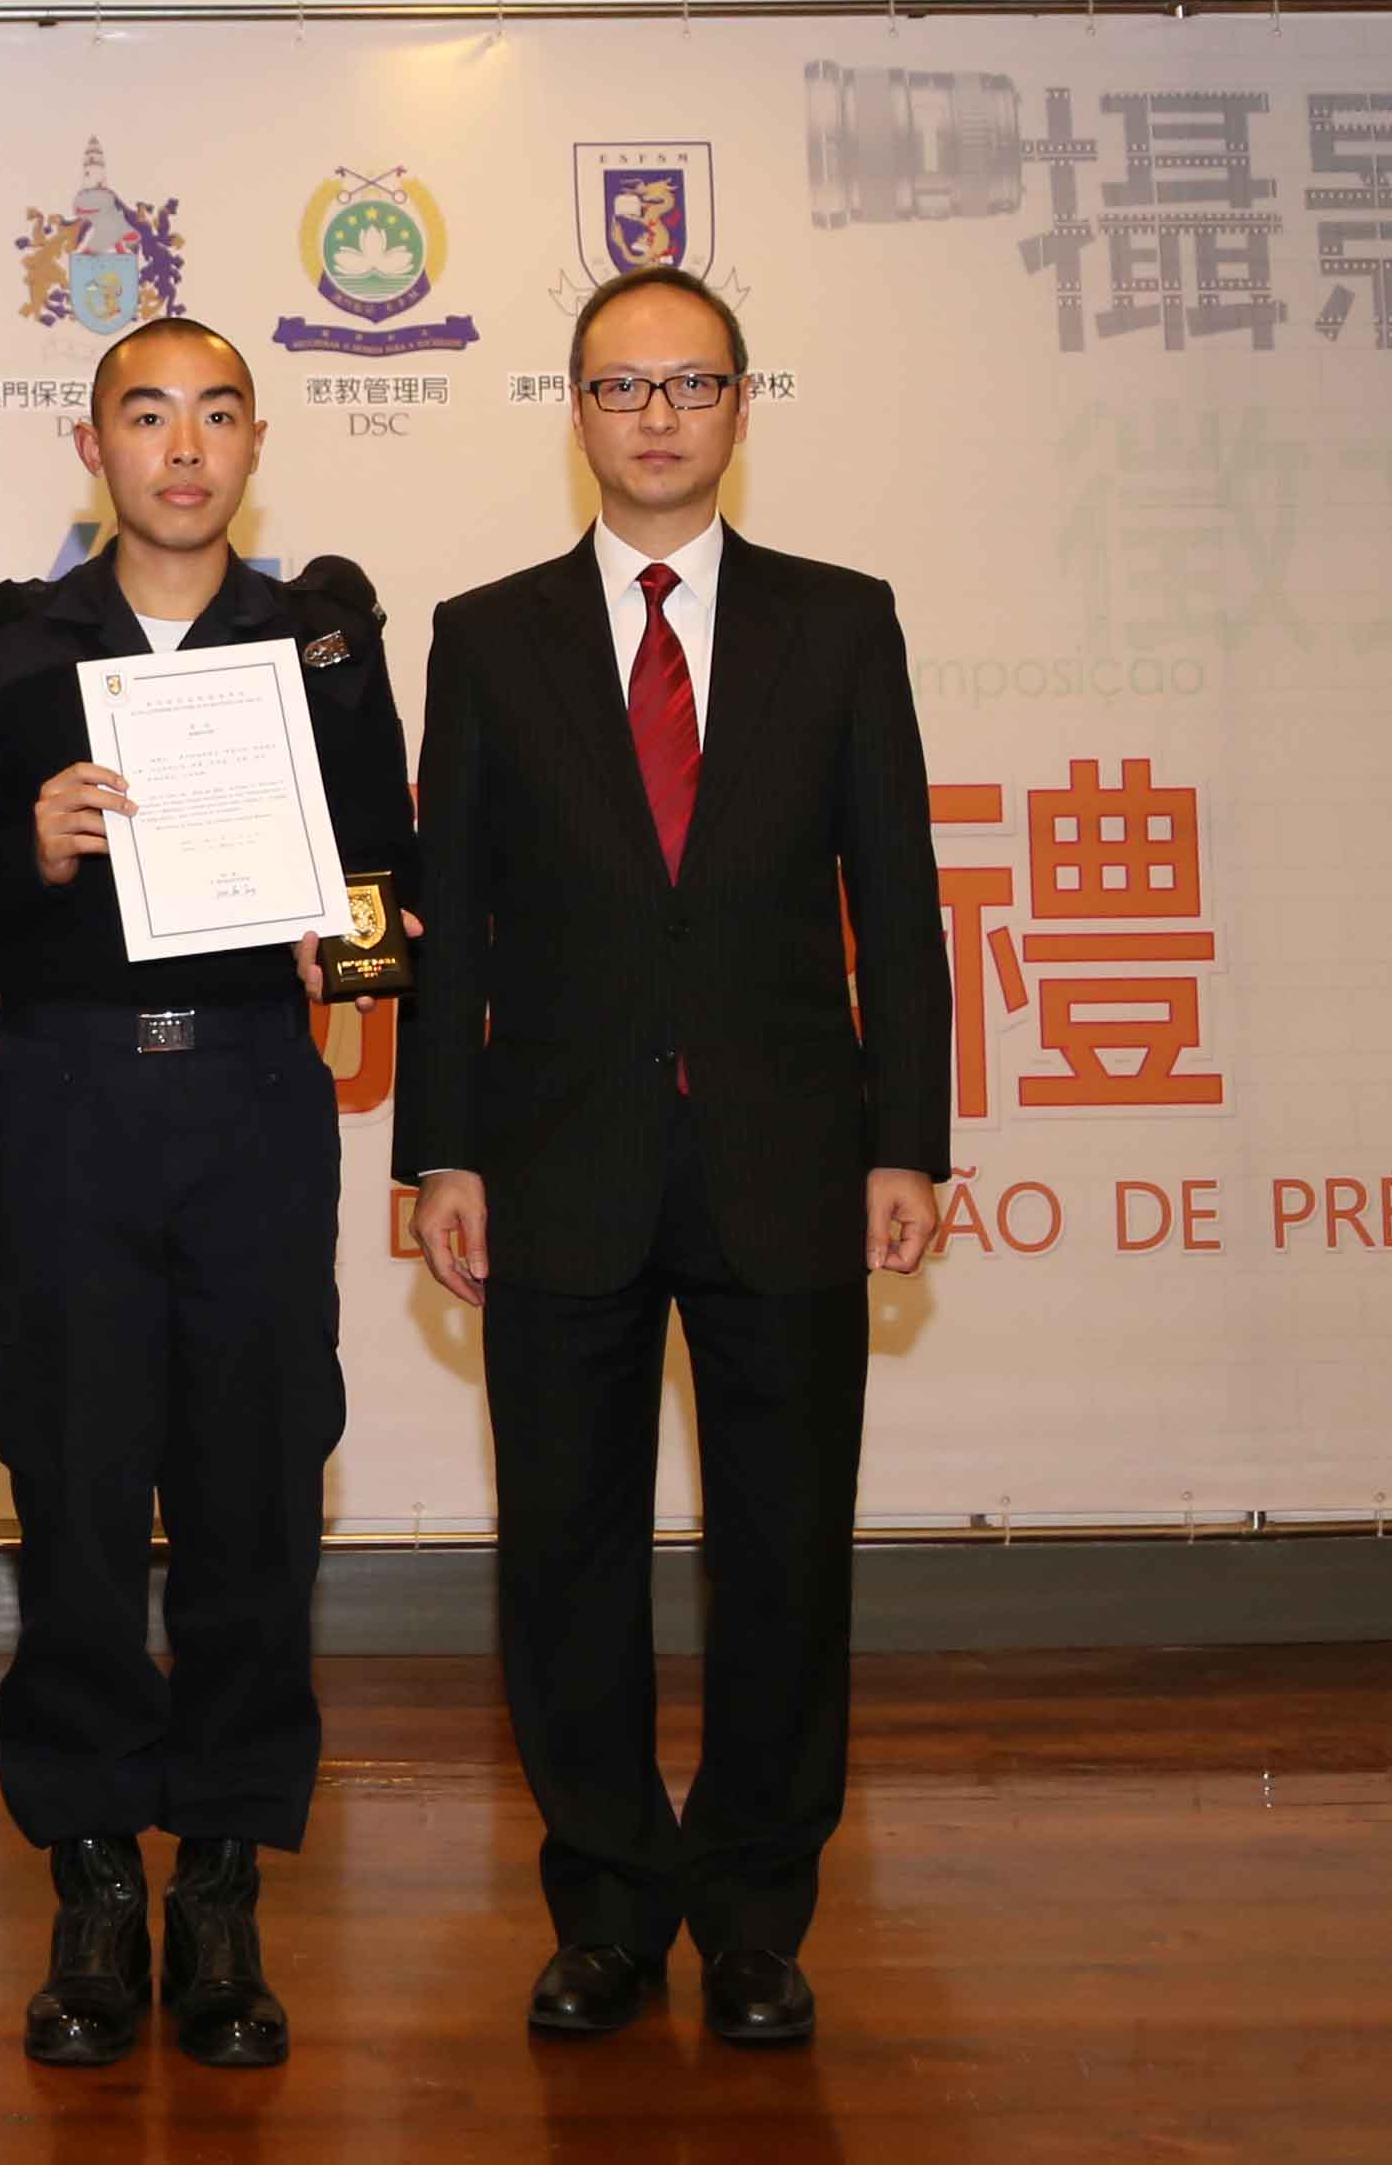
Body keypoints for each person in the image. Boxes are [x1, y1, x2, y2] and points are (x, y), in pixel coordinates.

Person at [394, 263, 947, 2050]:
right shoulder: (487, 637)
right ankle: (610, 1908)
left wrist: (908, 1139)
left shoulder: (839, 623)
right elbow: (454, 919)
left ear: (739, 408)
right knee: (566, 1554)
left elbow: (898, 904)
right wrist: (439, 1151)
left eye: (691, 384)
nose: (656, 416)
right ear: (575, 410)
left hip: (790, 1154)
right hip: (556, 1158)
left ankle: (759, 1913)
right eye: (622, 386)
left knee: (785, 1554)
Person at [0, 314, 413, 2071]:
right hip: (67, 1093)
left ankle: (221, 1884)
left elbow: (394, 887)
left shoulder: (321, 648)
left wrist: (348, 938)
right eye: (149, 416)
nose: (186, 448)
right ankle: (89, 1880)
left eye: (219, 415)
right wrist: (28, 845)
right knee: (72, 1490)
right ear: (96, 448)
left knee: (252, 1492)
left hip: (250, 1096)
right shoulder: (9, 650)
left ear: (256, 443)